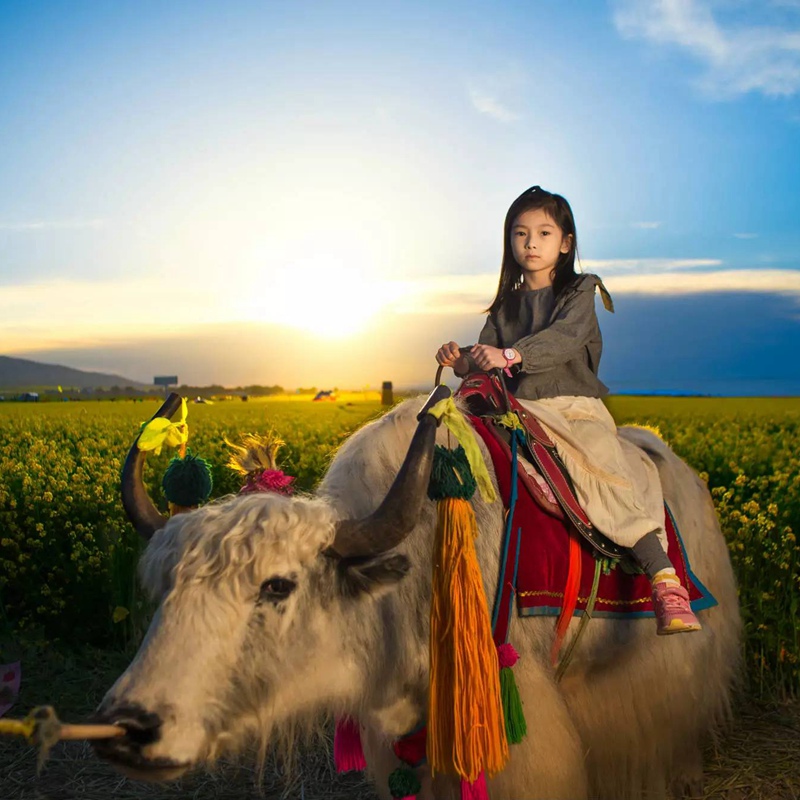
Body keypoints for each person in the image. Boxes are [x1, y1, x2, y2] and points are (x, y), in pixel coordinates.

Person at [435, 185, 701, 635]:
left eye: (543, 232)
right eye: (520, 234)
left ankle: (662, 576)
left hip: (573, 408)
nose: (531, 243)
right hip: (518, 409)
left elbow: (563, 338)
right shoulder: (505, 306)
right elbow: (486, 352)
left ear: (566, 242)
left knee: (602, 469)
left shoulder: (580, 291)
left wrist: (511, 357)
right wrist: (461, 358)